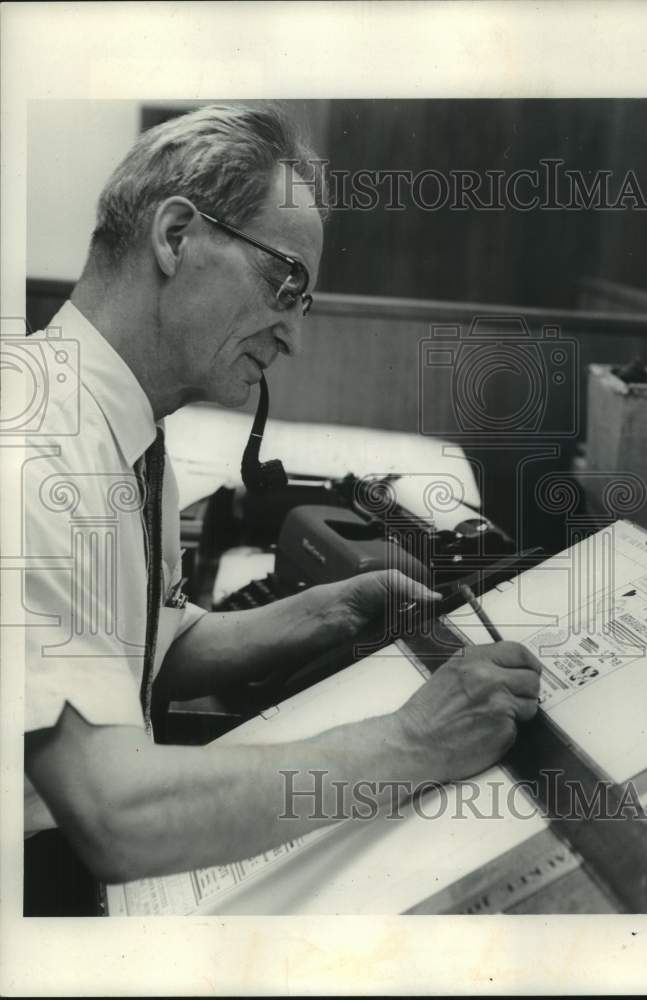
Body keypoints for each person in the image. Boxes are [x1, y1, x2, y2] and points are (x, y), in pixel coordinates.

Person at [22, 103, 541, 914]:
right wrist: (411, 742)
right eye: (283, 281)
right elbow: (116, 815)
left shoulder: (111, 423)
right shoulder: (39, 450)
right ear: (175, 236)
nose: (292, 337)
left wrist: (329, 611)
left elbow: (141, 646)